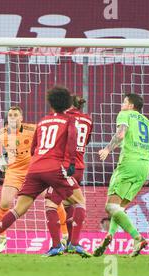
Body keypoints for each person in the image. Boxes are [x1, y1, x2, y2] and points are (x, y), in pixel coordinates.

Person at [0, 86, 91, 259]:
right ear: (67, 104)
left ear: (50, 104)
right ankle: (74, 244)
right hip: (55, 169)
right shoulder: (69, 121)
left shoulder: (43, 121)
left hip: (34, 168)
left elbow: (33, 148)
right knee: (80, 202)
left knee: (19, 209)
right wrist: (70, 166)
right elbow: (72, 145)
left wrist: (37, 164)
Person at [93, 93, 149, 257]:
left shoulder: (125, 114)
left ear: (131, 105)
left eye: (124, 102)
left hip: (128, 164)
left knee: (110, 206)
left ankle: (137, 238)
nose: (122, 105)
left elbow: (120, 134)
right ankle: (109, 236)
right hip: (144, 168)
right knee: (118, 208)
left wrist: (107, 149)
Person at [44, 95, 93, 251]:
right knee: (68, 202)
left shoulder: (62, 118)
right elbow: (85, 141)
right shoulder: (88, 120)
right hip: (79, 167)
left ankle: (59, 245)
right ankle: (71, 243)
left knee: (51, 204)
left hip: (64, 166)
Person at [0, 106, 36, 252]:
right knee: (4, 203)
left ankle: (64, 237)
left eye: (15, 114)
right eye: (10, 115)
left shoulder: (33, 130)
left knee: (53, 200)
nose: (12, 117)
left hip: (33, 172)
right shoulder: (1, 134)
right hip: (14, 172)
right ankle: (1, 238)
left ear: (21, 118)